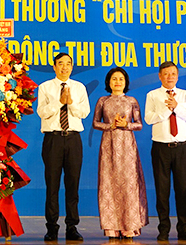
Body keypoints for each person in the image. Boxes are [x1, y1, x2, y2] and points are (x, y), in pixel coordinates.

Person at [36, 52, 90, 241]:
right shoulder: (45, 87)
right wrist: (59, 103)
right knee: (52, 184)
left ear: (72, 66)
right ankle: (52, 227)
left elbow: (84, 112)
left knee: (72, 184)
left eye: (68, 64)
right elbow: (41, 112)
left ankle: (72, 226)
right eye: (61, 64)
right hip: (53, 139)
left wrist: (70, 103)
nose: (65, 67)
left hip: (74, 139)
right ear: (54, 66)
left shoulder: (79, 87)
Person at [92, 67, 148, 239]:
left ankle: (129, 227)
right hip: (108, 145)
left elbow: (139, 124)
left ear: (126, 82)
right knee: (109, 183)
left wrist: (127, 125)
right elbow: (95, 123)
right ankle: (111, 228)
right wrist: (111, 126)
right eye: (114, 79)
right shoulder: (103, 101)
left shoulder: (132, 101)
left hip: (127, 147)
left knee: (129, 184)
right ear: (109, 82)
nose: (117, 82)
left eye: (121, 79)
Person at [144, 61, 186, 242]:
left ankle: (184, 228)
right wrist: (166, 111)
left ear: (177, 75)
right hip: (160, 147)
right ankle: (163, 229)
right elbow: (149, 119)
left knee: (182, 189)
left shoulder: (185, 95)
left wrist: (177, 107)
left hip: (181, 147)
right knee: (162, 190)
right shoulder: (152, 95)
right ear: (160, 76)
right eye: (166, 74)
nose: (170, 77)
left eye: (173, 74)